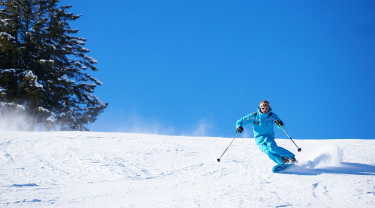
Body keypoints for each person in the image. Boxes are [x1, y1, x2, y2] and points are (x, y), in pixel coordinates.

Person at [236, 100, 297, 165]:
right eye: (263, 108)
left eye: (266, 108)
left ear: (268, 108)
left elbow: (281, 126)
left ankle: (291, 157)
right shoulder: (254, 116)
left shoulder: (272, 116)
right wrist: (239, 127)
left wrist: (280, 123)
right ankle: (283, 161)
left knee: (272, 148)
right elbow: (240, 121)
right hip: (259, 140)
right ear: (260, 108)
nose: (264, 110)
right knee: (268, 152)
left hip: (268, 137)